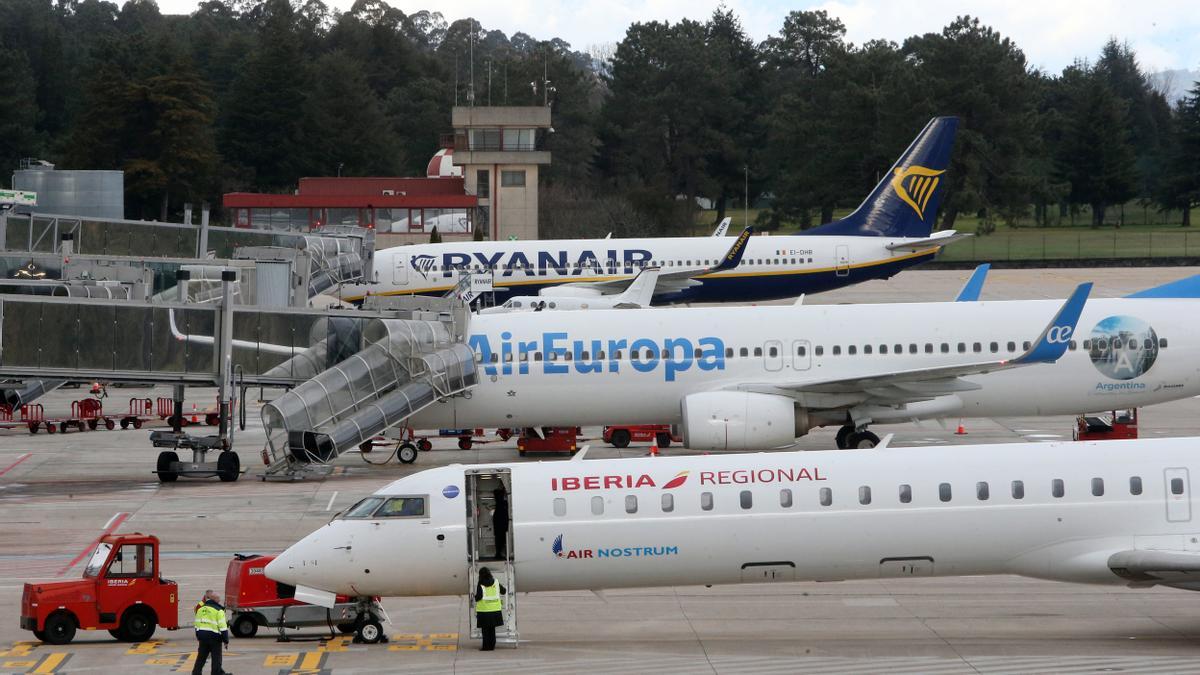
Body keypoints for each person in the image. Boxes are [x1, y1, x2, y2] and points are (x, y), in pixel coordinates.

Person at [192, 589, 230, 675]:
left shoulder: (200, 609)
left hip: (203, 638)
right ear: (216, 600)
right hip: (215, 638)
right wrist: (226, 641)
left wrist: (199, 636)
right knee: (216, 659)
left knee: (201, 658)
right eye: (219, 599)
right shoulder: (219, 611)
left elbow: (197, 624)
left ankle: (196, 673)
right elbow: (223, 628)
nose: (219, 601)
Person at [474, 567, 507, 651]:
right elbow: (503, 591)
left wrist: (474, 597)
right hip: (495, 611)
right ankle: (492, 646)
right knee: (492, 630)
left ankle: (486, 647)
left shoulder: (480, 583)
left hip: (484, 611)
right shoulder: (495, 582)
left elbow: (479, 597)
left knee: (485, 631)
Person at [491, 486, 509, 560]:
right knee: (501, 540)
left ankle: (498, 554)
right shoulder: (502, 504)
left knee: (499, 540)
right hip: (501, 526)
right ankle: (499, 554)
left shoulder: (499, 505)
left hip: (498, 526)